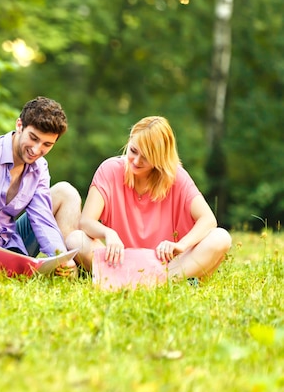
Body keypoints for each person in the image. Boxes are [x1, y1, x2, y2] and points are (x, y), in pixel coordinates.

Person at [65, 115, 232, 281]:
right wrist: (108, 233)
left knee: (221, 237)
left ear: (160, 157)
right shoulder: (109, 170)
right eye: (133, 151)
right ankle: (140, 280)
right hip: (120, 261)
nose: (136, 161)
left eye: (146, 157)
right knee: (76, 239)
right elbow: (86, 222)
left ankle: (153, 281)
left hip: (167, 264)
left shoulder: (177, 177)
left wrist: (181, 245)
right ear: (129, 141)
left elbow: (208, 220)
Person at [0, 96, 81, 275]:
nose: (36, 150)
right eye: (33, 138)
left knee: (67, 192)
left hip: (12, 242)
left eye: (47, 144)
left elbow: (42, 217)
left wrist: (60, 256)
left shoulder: (40, 167)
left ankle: (69, 271)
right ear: (19, 125)